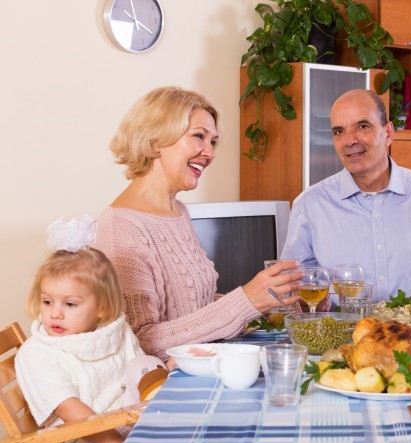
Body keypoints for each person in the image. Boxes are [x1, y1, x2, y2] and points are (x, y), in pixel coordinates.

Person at [95, 86, 302, 360]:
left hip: (200, 366)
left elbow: (191, 307)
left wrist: (264, 302)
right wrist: (245, 301)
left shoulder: (177, 211)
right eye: (199, 137)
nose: (210, 152)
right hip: (162, 387)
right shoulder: (123, 226)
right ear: (156, 140)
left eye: (213, 141)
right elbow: (140, 341)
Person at [280, 89, 411, 307]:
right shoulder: (309, 204)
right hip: (343, 337)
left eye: (362, 127)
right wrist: (305, 304)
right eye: (339, 131)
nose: (349, 140)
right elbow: (290, 288)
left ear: (389, 133)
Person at [15, 216, 166, 443]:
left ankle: (169, 414)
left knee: (143, 364)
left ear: (101, 308)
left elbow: (137, 380)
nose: (55, 313)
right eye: (47, 302)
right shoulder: (37, 354)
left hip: (132, 422)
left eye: (69, 304)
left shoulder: (116, 332)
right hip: (90, 438)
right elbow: (69, 410)